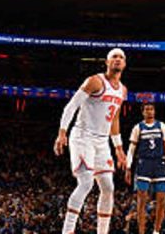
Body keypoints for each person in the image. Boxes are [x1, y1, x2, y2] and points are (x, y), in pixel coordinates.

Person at [54, 49, 129, 234]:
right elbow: (71, 106)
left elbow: (115, 120)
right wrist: (62, 132)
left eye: (121, 57)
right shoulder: (95, 81)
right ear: (107, 62)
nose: (118, 60)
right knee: (86, 182)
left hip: (102, 142)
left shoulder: (123, 90)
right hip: (83, 136)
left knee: (108, 187)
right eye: (114, 57)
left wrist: (119, 148)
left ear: (125, 63)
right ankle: (68, 230)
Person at [125, 103, 165, 234]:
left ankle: (156, 231)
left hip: (159, 163)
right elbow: (131, 149)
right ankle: (141, 231)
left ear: (155, 111)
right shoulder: (138, 127)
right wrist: (128, 168)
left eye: (151, 109)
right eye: (147, 109)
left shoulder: (161, 126)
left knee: (162, 199)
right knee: (141, 200)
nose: (149, 111)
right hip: (144, 164)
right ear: (143, 112)